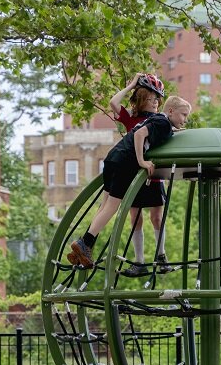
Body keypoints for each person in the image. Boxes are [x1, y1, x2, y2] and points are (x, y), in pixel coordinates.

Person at [67, 90, 192, 270]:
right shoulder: (162, 122)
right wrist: (141, 160)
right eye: (183, 115)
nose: (185, 119)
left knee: (104, 206)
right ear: (171, 111)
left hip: (112, 157)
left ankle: (83, 247)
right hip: (126, 162)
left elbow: (146, 132)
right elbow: (141, 134)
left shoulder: (158, 122)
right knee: (112, 206)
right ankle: (85, 243)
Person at [109, 73, 171, 276]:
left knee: (157, 217)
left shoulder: (160, 120)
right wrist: (131, 85)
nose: (155, 103)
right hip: (135, 175)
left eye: (157, 99)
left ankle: (161, 255)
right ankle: (139, 261)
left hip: (153, 173)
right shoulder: (132, 120)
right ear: (142, 98)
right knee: (135, 216)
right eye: (151, 98)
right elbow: (113, 102)